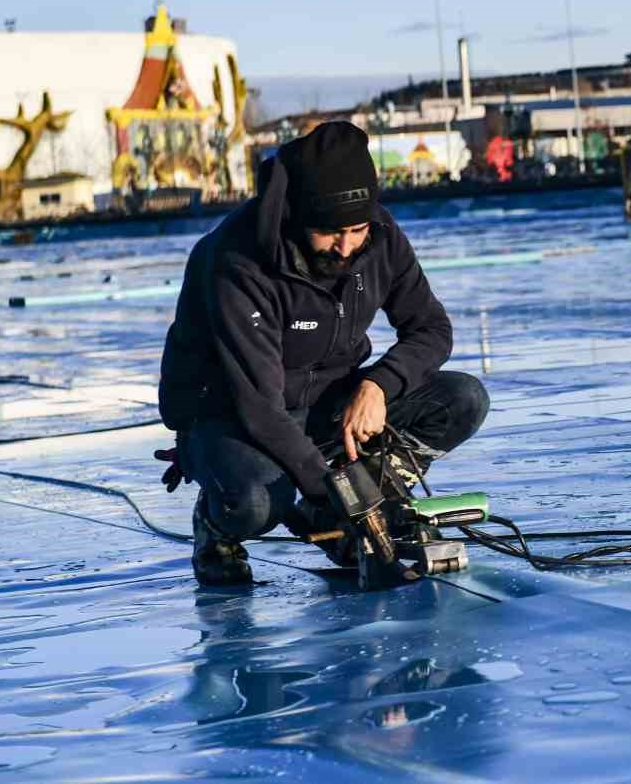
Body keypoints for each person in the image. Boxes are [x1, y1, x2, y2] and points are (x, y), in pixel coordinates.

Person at [154, 121, 489, 585]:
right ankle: (217, 526)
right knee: (256, 503)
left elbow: (431, 329)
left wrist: (377, 385)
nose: (347, 247)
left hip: (329, 402)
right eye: (332, 233)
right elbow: (259, 407)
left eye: (358, 229)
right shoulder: (238, 263)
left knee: (463, 399)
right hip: (232, 418)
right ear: (297, 216)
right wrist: (340, 496)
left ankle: (349, 503)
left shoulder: (381, 237)